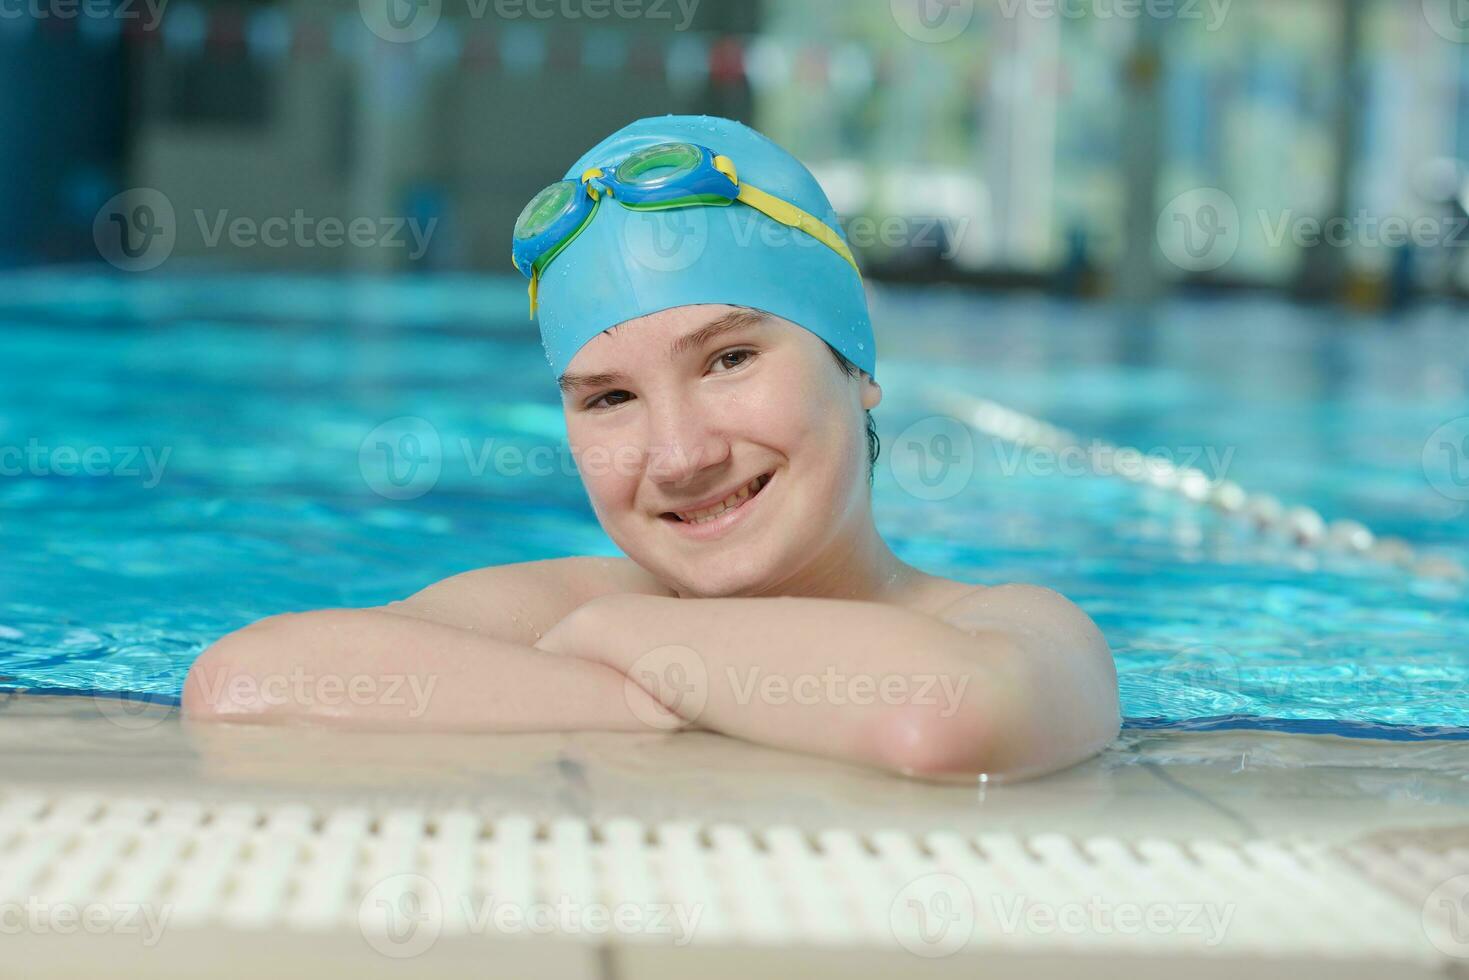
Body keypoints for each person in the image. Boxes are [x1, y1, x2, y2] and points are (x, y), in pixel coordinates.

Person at [182, 115, 1119, 781]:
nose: (678, 456)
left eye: (729, 358)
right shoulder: (563, 601)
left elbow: (942, 721)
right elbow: (244, 679)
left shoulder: (1017, 624)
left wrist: (612, 644)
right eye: (611, 398)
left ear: (856, 357)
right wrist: (672, 689)